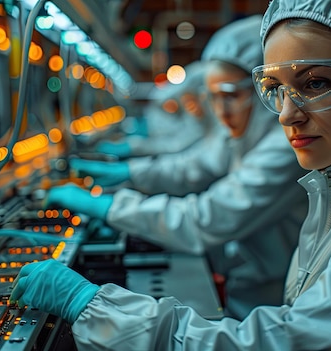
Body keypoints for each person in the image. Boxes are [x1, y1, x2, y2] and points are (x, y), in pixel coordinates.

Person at [11, 0, 331, 349]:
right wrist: (122, 174)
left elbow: (291, 340)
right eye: (275, 87)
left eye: (316, 83)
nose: (287, 114)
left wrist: (97, 307)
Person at [41, 14, 309, 320]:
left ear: (266, 88)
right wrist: (130, 173)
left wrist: (111, 207)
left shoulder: (287, 146)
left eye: (231, 96)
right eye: (212, 99)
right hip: (248, 277)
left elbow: (205, 218)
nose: (220, 112)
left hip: (273, 296)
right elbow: (190, 166)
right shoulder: (243, 134)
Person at [94, 61, 218, 159]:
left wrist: (135, 147)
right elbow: (166, 94)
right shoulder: (203, 76)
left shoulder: (208, 127)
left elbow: (176, 145)